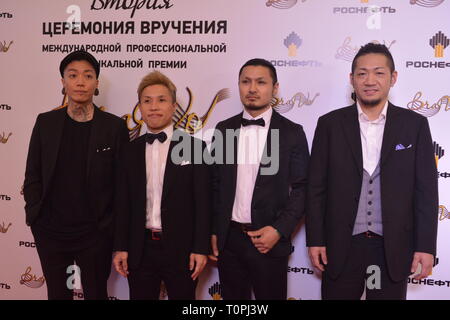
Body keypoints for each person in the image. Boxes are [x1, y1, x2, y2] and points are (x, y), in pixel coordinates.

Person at [306, 43, 439, 300]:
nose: (370, 80)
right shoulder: (329, 124)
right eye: (362, 73)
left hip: (390, 250)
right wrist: (316, 239)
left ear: (393, 78)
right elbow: (315, 189)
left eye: (379, 73)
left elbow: (426, 191)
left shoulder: (415, 125)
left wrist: (425, 246)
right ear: (352, 79)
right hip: (341, 247)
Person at [23, 50, 129, 300]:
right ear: (63, 82)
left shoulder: (114, 127)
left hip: (95, 234)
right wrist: (34, 214)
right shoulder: (45, 122)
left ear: (96, 83)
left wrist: (110, 230)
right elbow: (32, 174)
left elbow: (122, 186)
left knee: (96, 294)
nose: (80, 81)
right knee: (57, 295)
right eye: (73, 75)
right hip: (49, 230)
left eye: (88, 75)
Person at [209, 58, 310, 300]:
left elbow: (302, 188)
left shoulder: (292, 132)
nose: (252, 88)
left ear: (274, 88)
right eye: (246, 82)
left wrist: (278, 230)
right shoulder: (224, 129)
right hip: (229, 241)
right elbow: (214, 185)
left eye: (261, 82)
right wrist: (214, 230)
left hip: (269, 241)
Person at [113, 71, 211, 300]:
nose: (154, 107)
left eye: (161, 100)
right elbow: (122, 203)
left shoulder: (195, 148)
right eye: (147, 101)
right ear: (140, 107)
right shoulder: (129, 151)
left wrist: (200, 248)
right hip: (140, 249)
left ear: (174, 106)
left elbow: (204, 203)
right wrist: (120, 246)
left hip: (182, 250)